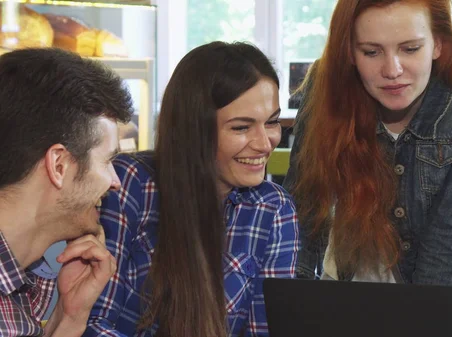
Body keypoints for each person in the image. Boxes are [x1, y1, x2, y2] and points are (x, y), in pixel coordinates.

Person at [84, 41, 300, 337]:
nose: (265, 143)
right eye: (241, 127)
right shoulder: (131, 183)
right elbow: (93, 321)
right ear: (194, 128)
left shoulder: (274, 209)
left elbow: (265, 330)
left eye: (272, 122)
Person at [284, 0, 452, 284]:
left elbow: (450, 242)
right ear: (350, 51)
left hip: (438, 300)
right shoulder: (326, 83)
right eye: (371, 52)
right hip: (344, 292)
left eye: (410, 49)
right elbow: (303, 207)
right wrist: (291, 307)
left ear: (438, 43)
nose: (392, 70)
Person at [0, 48, 133, 336]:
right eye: (108, 160)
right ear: (58, 164)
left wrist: (69, 317)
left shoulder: (23, 283)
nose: (115, 182)